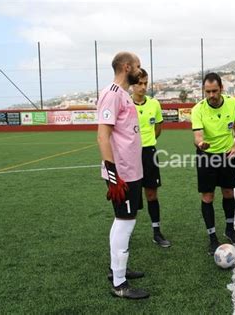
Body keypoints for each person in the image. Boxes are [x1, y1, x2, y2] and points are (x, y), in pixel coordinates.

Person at [97, 51, 149, 299]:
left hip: (132, 170)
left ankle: (116, 269)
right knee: (125, 222)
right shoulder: (112, 94)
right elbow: (102, 136)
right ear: (127, 67)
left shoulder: (124, 95)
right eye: (138, 66)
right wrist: (112, 174)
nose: (141, 70)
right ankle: (119, 283)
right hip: (123, 173)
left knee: (124, 219)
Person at [191, 72, 235, 255]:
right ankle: (212, 237)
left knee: (228, 192)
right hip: (206, 156)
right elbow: (197, 136)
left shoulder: (232, 103)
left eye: (214, 91)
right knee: (207, 197)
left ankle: (229, 229)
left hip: (226, 155)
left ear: (221, 88)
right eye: (208, 92)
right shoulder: (198, 109)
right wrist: (201, 143)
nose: (211, 95)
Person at [132, 68, 171, 247]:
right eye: (139, 83)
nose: (143, 87)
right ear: (132, 84)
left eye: (145, 83)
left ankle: (156, 232)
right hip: (130, 155)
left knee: (151, 193)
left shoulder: (154, 104)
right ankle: (126, 235)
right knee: (131, 196)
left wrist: (149, 141)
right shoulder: (125, 104)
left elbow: (158, 128)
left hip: (149, 152)